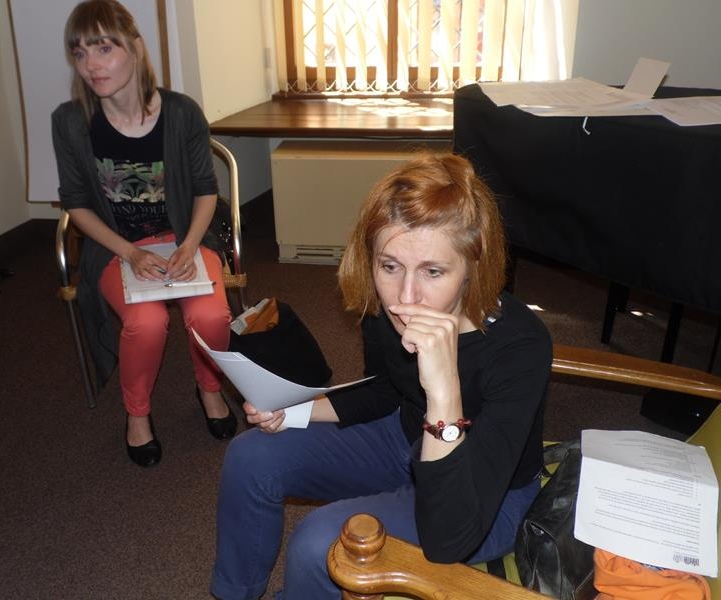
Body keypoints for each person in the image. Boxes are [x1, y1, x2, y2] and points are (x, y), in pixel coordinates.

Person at [210, 152, 552, 599]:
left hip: (486, 498)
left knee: (321, 545)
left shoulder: (521, 347)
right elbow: (387, 390)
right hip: (403, 437)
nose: (404, 297)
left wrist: (444, 391)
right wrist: (293, 412)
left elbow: (451, 536)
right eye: (389, 266)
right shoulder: (384, 304)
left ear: (474, 265)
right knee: (250, 457)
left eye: (433, 271)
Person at [51, 0, 236, 468]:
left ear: (135, 48)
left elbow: (205, 189)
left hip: (187, 236)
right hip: (117, 248)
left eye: (104, 48)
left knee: (212, 315)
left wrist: (190, 245)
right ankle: (137, 414)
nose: (91, 65)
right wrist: (131, 253)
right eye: (79, 53)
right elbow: (76, 203)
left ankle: (209, 388)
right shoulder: (70, 122)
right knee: (147, 323)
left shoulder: (181, 113)